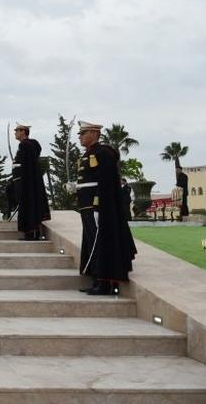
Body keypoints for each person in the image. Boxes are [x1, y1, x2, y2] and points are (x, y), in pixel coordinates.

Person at [67, 120, 136, 295]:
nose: (80, 137)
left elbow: (104, 182)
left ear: (94, 134)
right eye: (80, 134)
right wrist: (76, 187)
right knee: (92, 242)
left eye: (83, 133)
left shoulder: (103, 153)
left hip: (96, 206)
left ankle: (104, 282)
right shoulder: (88, 154)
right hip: (86, 206)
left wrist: (98, 205)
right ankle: (97, 278)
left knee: (99, 243)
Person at [11, 123, 50, 240]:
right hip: (22, 180)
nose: (15, 133)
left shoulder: (26, 145)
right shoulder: (25, 145)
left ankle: (31, 233)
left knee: (28, 205)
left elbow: (27, 166)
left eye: (17, 130)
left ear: (23, 132)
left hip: (25, 182)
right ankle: (30, 232)